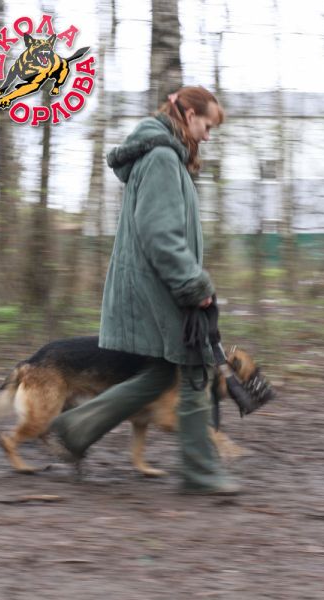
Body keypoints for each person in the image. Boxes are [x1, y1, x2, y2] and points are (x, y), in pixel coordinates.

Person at [47, 86, 240, 495]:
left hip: (155, 284)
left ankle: (74, 428)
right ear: (189, 115)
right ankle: (201, 473)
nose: (208, 136)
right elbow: (160, 234)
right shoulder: (161, 159)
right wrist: (192, 283)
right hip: (161, 286)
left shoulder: (163, 157)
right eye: (207, 126)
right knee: (194, 369)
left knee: (162, 372)